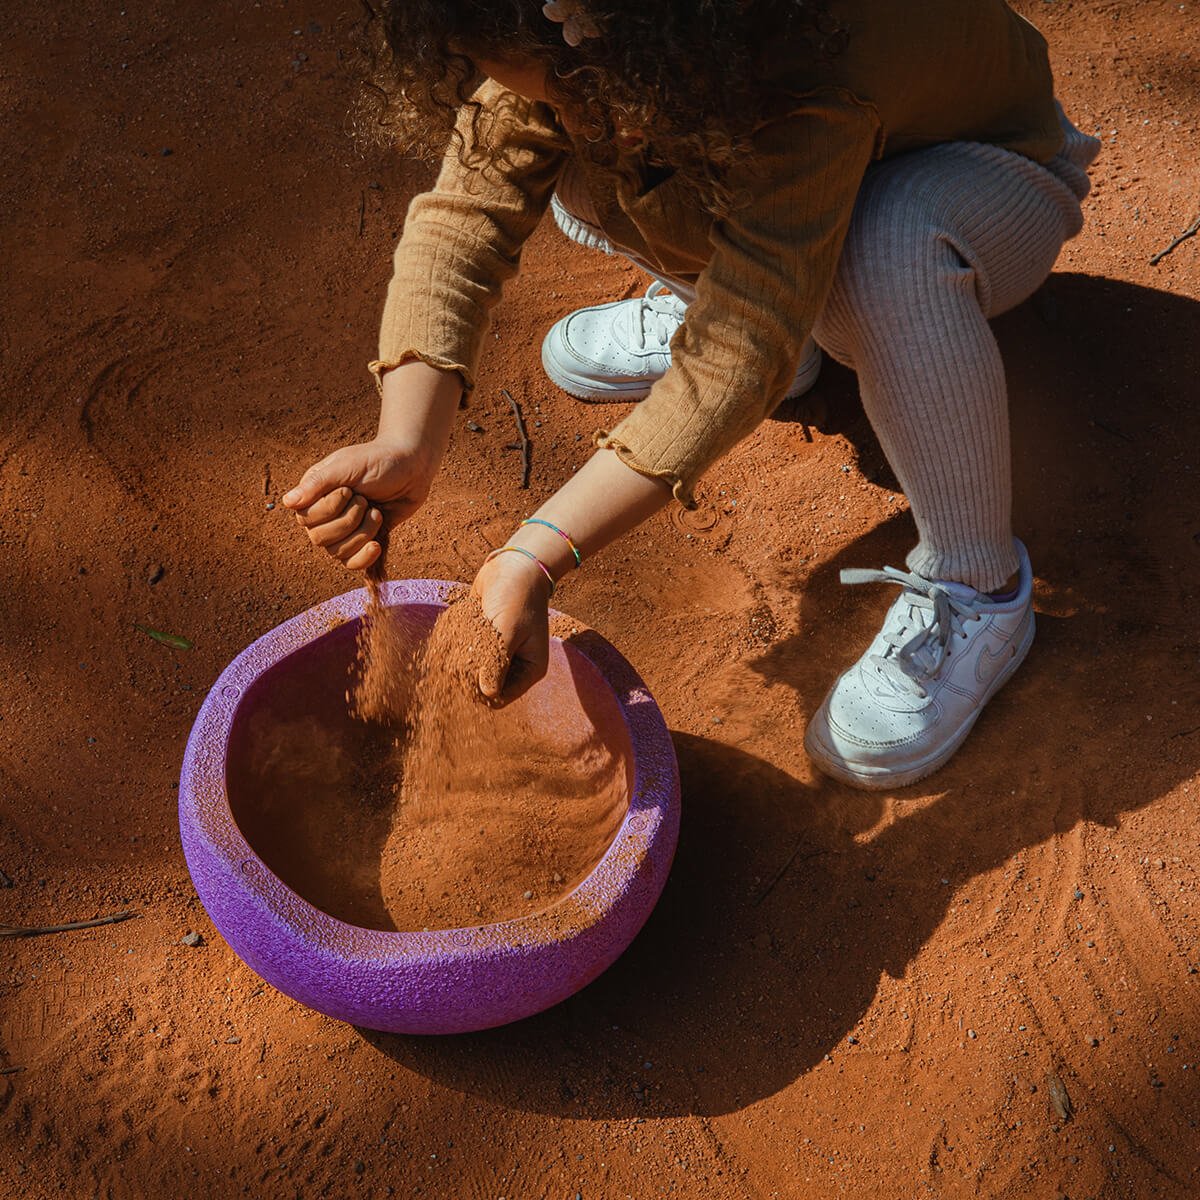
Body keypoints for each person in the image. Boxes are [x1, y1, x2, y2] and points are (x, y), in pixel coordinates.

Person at [281, 0, 1099, 789]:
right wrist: (407, 440)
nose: (535, 100)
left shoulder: (802, 53)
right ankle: (778, 328)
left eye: (553, 83)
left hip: (989, 176)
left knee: (881, 253)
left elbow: (740, 348)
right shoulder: (584, 28)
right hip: (754, 139)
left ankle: (979, 588)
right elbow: (465, 215)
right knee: (587, 156)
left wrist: (535, 553)